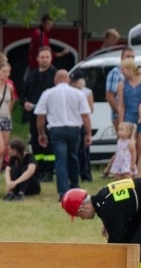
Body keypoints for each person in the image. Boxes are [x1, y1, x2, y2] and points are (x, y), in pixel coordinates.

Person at [35, 70, 91, 199]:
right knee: (73, 158)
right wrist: (88, 134)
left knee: (60, 161)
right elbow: (85, 116)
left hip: (56, 130)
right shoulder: (78, 93)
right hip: (74, 129)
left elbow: (40, 117)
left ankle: (63, 192)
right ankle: (75, 186)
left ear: (55, 80)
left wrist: (41, 133)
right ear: (68, 79)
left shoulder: (48, 93)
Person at [21, 46, 57, 182]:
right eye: (42, 57)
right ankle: (38, 169)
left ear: (51, 58)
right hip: (34, 115)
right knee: (36, 143)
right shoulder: (31, 75)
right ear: (37, 58)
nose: (45, 60)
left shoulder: (55, 75)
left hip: (49, 117)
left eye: (47, 57)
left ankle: (48, 171)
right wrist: (24, 103)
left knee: (47, 144)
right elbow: (23, 93)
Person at [70, 69, 95, 182]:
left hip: (82, 123)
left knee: (83, 152)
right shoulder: (69, 91)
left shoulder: (86, 92)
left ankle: (86, 174)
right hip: (73, 123)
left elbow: (90, 109)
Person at [106, 47, 134, 131]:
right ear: (122, 58)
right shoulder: (115, 73)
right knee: (123, 142)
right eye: (128, 56)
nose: (131, 59)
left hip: (133, 114)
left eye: (133, 57)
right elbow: (110, 97)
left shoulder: (135, 73)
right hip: (120, 116)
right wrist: (120, 113)